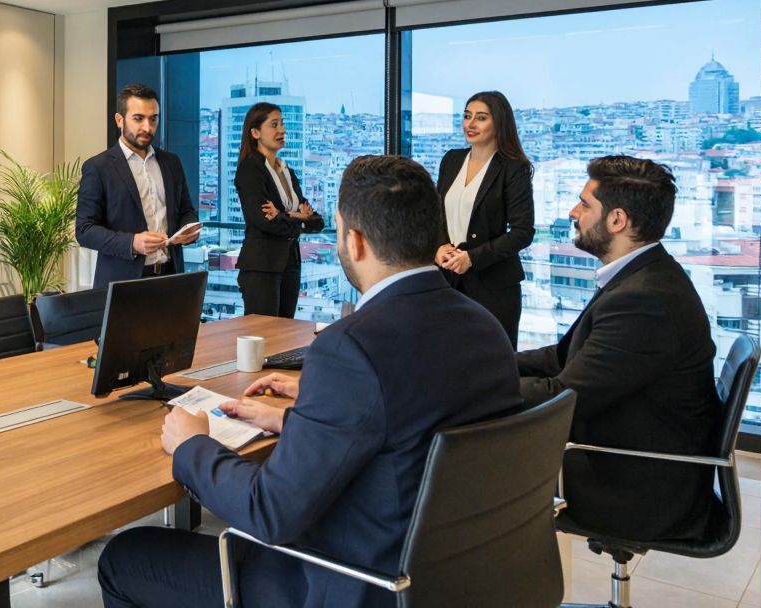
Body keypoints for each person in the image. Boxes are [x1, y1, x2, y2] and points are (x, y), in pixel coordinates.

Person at [98, 155, 522, 608]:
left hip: (352, 583)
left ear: (355, 242)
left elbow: (269, 512)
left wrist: (192, 445)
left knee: (125, 556)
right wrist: (298, 421)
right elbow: (406, 424)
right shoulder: (485, 328)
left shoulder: (350, 348)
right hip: (457, 578)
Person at [517, 155, 718, 542]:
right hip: (630, 456)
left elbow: (562, 397)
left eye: (584, 204)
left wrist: (467, 386)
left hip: (636, 488)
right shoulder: (640, 276)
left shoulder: (644, 300)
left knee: (461, 476)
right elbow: (562, 358)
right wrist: (485, 366)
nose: (573, 212)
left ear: (617, 220)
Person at [77, 83, 201, 290]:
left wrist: (188, 230)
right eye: (138, 118)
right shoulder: (98, 167)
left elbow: (186, 211)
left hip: (171, 278)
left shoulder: (172, 162)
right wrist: (132, 242)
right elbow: (84, 230)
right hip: (123, 284)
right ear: (119, 120)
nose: (147, 127)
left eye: (153, 119)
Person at [435, 90, 535, 346]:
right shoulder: (452, 159)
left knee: (490, 360)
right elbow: (436, 216)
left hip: (493, 285)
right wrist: (437, 247)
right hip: (447, 278)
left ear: (499, 122)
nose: (471, 124)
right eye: (467, 116)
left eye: (481, 117)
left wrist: (473, 257)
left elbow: (523, 231)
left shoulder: (513, 168)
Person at [233, 102, 324, 317]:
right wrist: (300, 218)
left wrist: (286, 215)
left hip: (290, 262)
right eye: (274, 125)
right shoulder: (250, 170)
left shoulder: (287, 171)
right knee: (264, 337)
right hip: (261, 265)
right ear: (255, 132)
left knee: (285, 333)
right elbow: (263, 221)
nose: (282, 130)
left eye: (282, 124)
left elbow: (317, 221)